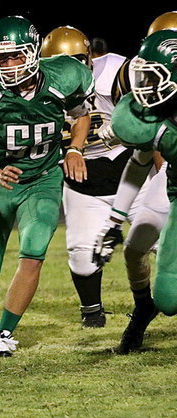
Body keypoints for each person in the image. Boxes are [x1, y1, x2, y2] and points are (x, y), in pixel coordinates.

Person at [0, 16, 93, 357]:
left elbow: (81, 114)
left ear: (34, 53)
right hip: (1, 182)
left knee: (33, 253)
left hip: (43, 179)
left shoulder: (62, 78)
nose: (10, 64)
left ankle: (2, 332)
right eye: (2, 58)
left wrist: (75, 148)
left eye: (16, 56)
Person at [40, 26, 169, 329]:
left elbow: (152, 118)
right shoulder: (36, 90)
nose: (72, 71)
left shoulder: (115, 72)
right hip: (83, 181)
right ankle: (92, 312)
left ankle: (146, 304)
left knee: (161, 243)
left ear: (89, 58)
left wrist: (163, 170)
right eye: (62, 64)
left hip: (131, 170)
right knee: (83, 258)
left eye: (77, 61)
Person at [94, 29, 177, 353]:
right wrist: (114, 220)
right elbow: (141, 160)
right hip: (171, 181)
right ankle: (143, 310)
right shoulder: (155, 111)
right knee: (134, 250)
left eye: (151, 78)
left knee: (170, 289)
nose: (143, 88)